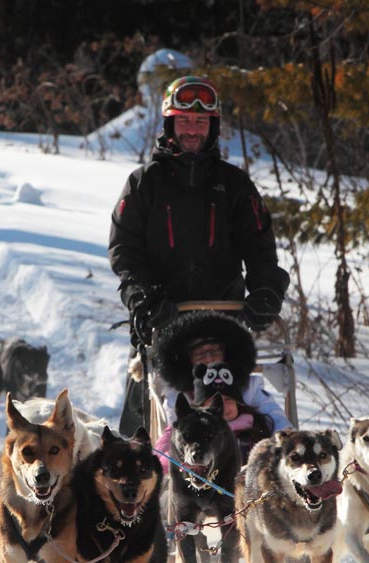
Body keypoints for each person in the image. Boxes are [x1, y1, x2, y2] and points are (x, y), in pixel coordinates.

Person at [108, 75, 290, 435]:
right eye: (185, 120)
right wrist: (143, 296)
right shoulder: (144, 184)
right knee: (144, 422)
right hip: (163, 320)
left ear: (213, 126)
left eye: (201, 121)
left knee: (240, 406)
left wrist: (266, 291)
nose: (193, 129)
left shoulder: (235, 185)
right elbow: (124, 251)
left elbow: (260, 249)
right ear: (170, 124)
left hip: (226, 322)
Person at [152, 310, 291, 466]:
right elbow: (175, 434)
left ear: (225, 353)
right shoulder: (179, 395)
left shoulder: (247, 386)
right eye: (200, 353)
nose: (209, 358)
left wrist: (286, 442)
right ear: (188, 358)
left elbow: (273, 415)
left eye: (214, 351)